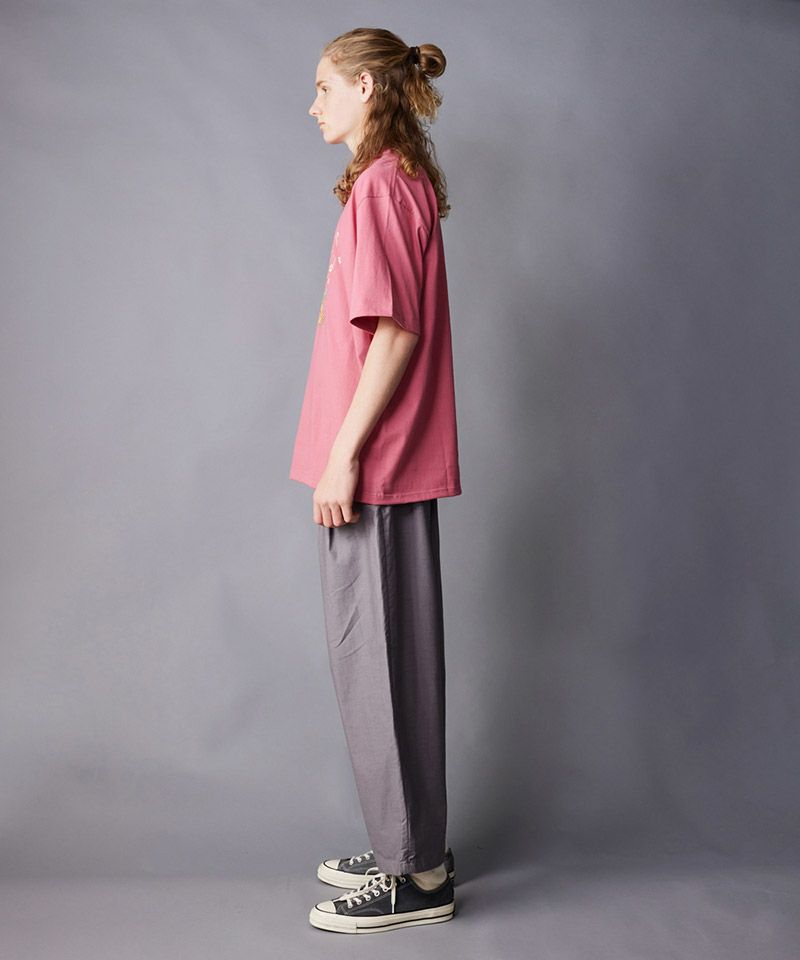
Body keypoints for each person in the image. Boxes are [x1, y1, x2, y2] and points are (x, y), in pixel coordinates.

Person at [288, 27, 462, 934]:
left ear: (365, 86)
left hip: (375, 470)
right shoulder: (396, 181)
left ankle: (410, 876)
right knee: (400, 665)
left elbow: (394, 334)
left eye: (324, 87)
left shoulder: (382, 187)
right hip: (389, 467)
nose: (313, 104)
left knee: (377, 668)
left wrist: (344, 454)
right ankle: (415, 850)